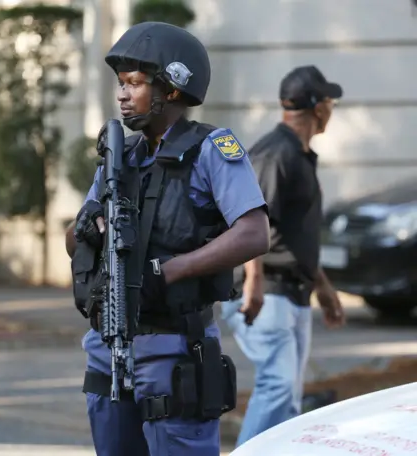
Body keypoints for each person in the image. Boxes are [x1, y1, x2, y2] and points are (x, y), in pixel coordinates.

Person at [65, 22, 270, 456]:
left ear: (172, 89)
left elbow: (254, 233)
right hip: (109, 347)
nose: (122, 94)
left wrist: (170, 270)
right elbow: (76, 238)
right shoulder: (119, 158)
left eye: (135, 83)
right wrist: (87, 227)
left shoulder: (213, 148)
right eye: (121, 84)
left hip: (174, 350)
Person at [221, 65, 347, 448]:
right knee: (278, 385)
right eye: (329, 101)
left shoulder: (299, 153)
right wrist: (254, 282)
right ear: (317, 108)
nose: (332, 108)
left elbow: (294, 234)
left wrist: (322, 287)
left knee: (288, 398)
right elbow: (249, 219)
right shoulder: (275, 154)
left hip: (292, 291)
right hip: (266, 291)